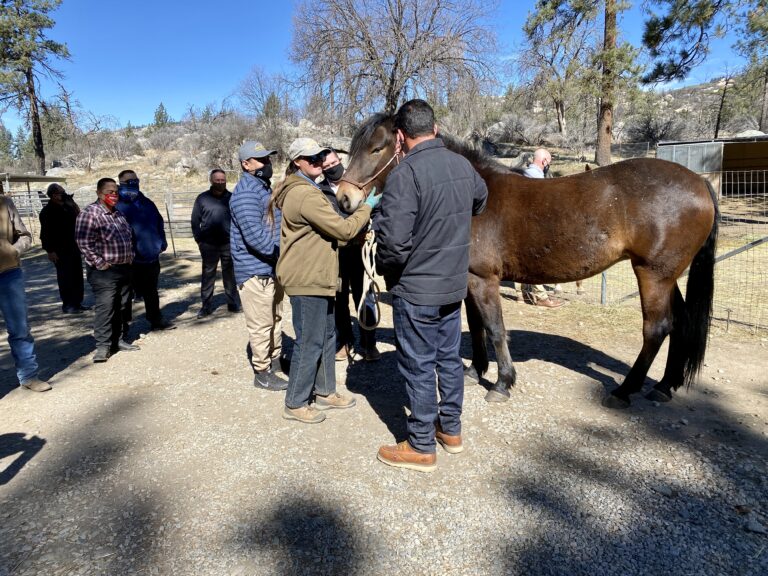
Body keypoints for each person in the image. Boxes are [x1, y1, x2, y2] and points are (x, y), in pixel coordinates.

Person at [374, 99, 488, 472]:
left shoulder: (404, 175)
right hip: (452, 286)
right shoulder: (462, 165)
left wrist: (390, 273)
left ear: (401, 137)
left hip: (417, 289)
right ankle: (450, 429)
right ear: (435, 130)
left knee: (418, 364)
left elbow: (393, 242)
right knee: (449, 358)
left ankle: (421, 444)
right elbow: (481, 200)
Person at [273, 137, 379, 424]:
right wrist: (366, 208)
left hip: (319, 276)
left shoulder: (306, 189)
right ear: (297, 162)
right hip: (308, 277)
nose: (319, 162)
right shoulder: (304, 195)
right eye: (313, 158)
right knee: (310, 341)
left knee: (327, 335)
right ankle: (295, 402)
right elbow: (343, 230)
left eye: (321, 157)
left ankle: (324, 391)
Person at [230, 140, 286, 391]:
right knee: (261, 324)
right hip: (256, 271)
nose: (267, 163)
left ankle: (275, 361)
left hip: (271, 268)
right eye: (261, 160)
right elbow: (256, 238)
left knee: (276, 318)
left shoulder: (263, 189)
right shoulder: (245, 195)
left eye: (268, 159)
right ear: (246, 164)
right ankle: (262, 372)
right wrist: (286, 254)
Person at [319, 150, 380, 363]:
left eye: (335, 163)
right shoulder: (320, 191)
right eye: (327, 167)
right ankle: (343, 342)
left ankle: (368, 343)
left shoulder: (361, 183)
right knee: (339, 299)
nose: (333, 168)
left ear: (341, 161)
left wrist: (373, 229)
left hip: (362, 251)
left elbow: (379, 211)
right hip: (336, 254)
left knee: (365, 297)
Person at [75, 178, 139, 363]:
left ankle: (118, 340)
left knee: (122, 305)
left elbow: (128, 237)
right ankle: (103, 346)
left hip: (124, 268)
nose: (113, 195)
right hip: (104, 272)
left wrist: (131, 255)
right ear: (99, 193)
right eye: (109, 191)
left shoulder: (118, 214)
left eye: (115, 191)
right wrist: (100, 263)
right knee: (106, 308)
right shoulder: (89, 214)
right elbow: (83, 242)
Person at [0, 183, 51, 392]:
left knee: (19, 328)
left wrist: (13, 251)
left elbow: (25, 235)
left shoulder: (5, 204)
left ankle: (29, 376)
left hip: (8, 274)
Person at [116, 170, 175, 330]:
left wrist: (161, 243)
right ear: (120, 183)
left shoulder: (146, 202)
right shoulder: (116, 205)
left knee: (151, 292)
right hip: (128, 259)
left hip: (150, 257)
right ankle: (123, 328)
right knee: (125, 295)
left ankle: (155, 319)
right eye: (129, 181)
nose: (134, 183)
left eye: (136, 180)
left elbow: (158, 222)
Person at [191, 169, 240, 317]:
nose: (220, 182)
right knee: (208, 274)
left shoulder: (232, 198)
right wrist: (199, 240)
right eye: (217, 180)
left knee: (229, 274)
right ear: (211, 181)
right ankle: (206, 306)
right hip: (208, 244)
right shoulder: (202, 198)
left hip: (228, 243)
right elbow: (195, 221)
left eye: (222, 180)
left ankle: (232, 302)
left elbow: (237, 220)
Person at [521, 148, 565, 308]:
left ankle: (524, 293)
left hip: (523, 224)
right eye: (549, 162)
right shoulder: (537, 178)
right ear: (544, 161)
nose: (549, 166)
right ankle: (540, 296)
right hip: (534, 225)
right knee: (535, 261)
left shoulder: (525, 174)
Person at [39, 183, 88, 314]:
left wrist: (71, 202)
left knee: (77, 276)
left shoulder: (68, 206)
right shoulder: (47, 212)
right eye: (61, 192)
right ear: (54, 195)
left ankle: (77, 303)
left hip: (74, 247)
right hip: (59, 250)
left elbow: (79, 216)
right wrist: (50, 251)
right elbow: (45, 234)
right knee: (65, 278)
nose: (64, 194)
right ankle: (68, 305)